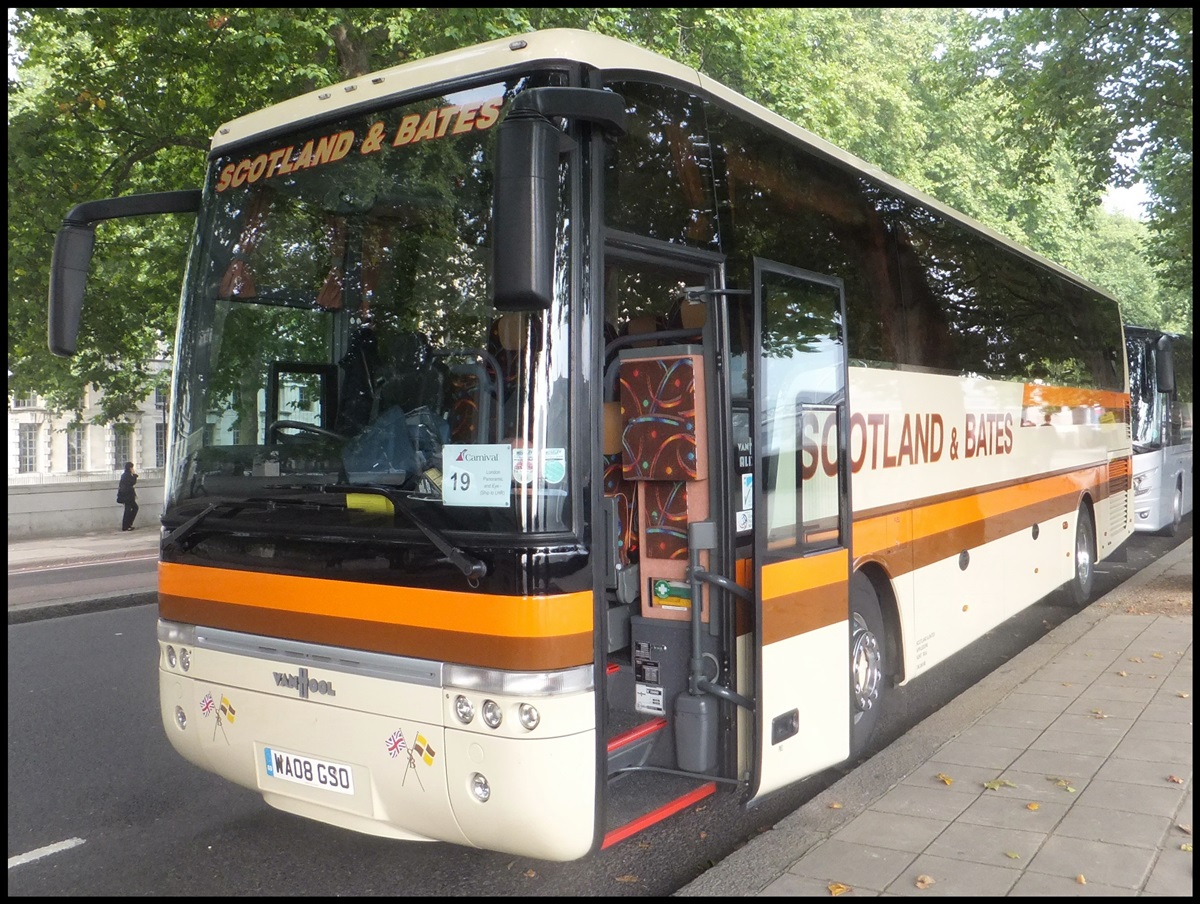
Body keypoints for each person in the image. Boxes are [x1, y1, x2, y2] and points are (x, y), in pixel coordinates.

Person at [117, 461, 139, 531]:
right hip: (128, 496)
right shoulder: (127, 475)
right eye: (132, 468)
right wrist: (135, 475)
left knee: (130, 509)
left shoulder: (125, 475)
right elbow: (132, 483)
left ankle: (127, 525)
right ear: (130, 468)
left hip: (127, 496)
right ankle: (127, 525)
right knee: (131, 509)